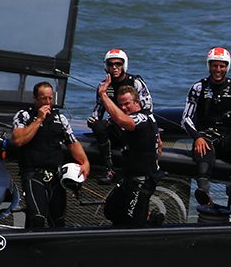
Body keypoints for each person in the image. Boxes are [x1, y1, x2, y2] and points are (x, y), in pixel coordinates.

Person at [12, 81, 90, 228]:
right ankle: (30, 246)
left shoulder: (60, 118)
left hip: (55, 175)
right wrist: (39, 119)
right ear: (36, 99)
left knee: (58, 221)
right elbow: (18, 140)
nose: (48, 102)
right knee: (37, 217)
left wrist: (85, 162)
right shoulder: (24, 115)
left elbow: (72, 142)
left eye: (50, 98)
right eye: (43, 99)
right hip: (33, 174)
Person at [182, 47, 231, 206]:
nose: (218, 69)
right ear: (209, 66)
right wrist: (197, 137)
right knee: (204, 156)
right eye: (214, 65)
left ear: (227, 67)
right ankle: (204, 194)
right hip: (205, 138)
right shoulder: (198, 88)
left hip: (227, 138)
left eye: (222, 66)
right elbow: (185, 119)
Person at [98, 78, 161, 227]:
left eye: (127, 104)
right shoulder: (138, 118)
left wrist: (103, 95)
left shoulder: (141, 117)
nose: (124, 108)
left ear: (137, 102)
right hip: (128, 177)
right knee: (111, 210)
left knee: (132, 222)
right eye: (121, 105)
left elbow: (122, 120)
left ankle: (150, 223)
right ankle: (146, 218)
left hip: (142, 180)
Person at [87, 48, 153, 184]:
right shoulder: (103, 85)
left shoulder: (135, 82)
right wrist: (93, 120)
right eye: (110, 64)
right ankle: (109, 168)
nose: (114, 67)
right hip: (115, 127)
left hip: (134, 126)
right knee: (98, 126)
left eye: (118, 64)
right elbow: (98, 110)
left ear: (124, 65)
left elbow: (148, 109)